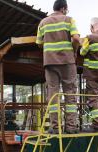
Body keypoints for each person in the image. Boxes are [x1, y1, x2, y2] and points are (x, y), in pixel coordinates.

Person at [36, 0, 80, 134]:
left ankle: (54, 127)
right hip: (67, 61)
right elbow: (76, 39)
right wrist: (74, 51)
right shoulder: (69, 20)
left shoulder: (43, 22)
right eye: (67, 9)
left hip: (50, 63)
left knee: (53, 94)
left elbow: (38, 42)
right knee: (70, 92)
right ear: (63, 8)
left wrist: (49, 49)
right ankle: (71, 127)